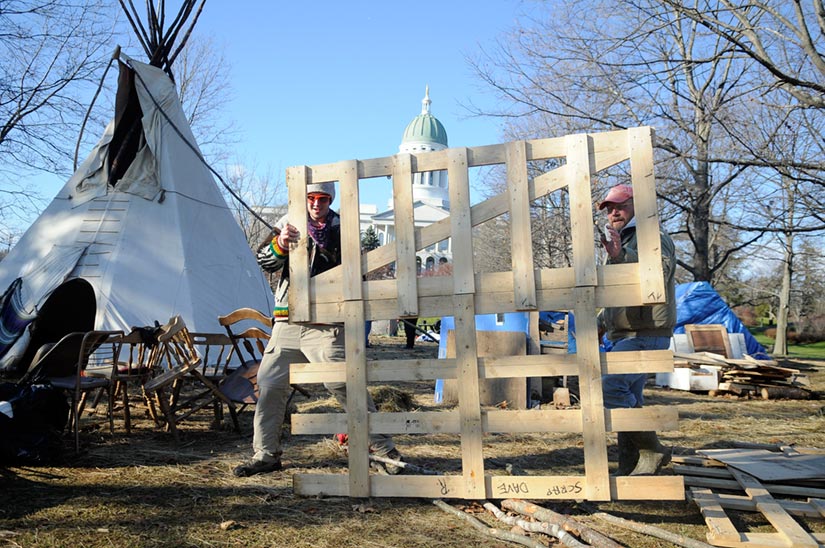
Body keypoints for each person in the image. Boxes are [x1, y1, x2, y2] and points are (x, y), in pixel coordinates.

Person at [233, 182, 403, 477]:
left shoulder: (343, 228)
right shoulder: (287, 223)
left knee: (342, 383)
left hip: (327, 325)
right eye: (310, 198)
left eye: (322, 199)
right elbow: (264, 262)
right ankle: (266, 454)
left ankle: (383, 449)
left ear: (330, 200)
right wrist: (280, 244)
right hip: (288, 322)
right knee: (269, 383)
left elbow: (357, 276)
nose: (315, 203)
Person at [597, 183, 676, 476]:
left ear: (637, 207)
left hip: (645, 332)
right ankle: (631, 470)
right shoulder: (623, 241)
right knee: (629, 400)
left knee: (610, 388)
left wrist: (621, 257)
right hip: (628, 333)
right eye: (609, 209)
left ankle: (652, 448)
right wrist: (601, 322)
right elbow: (619, 294)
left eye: (621, 206)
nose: (614, 213)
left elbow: (657, 277)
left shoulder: (654, 237)